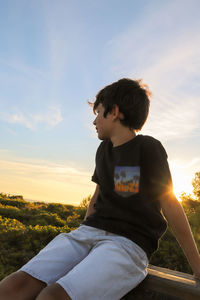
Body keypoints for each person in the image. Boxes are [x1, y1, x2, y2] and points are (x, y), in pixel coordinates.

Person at [0, 78, 200, 300]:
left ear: (114, 112)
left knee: (51, 297)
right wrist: (83, 235)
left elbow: (170, 203)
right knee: (12, 287)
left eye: (98, 113)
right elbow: (98, 196)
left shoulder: (148, 148)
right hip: (88, 233)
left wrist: (197, 265)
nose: (94, 121)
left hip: (127, 244)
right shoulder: (103, 150)